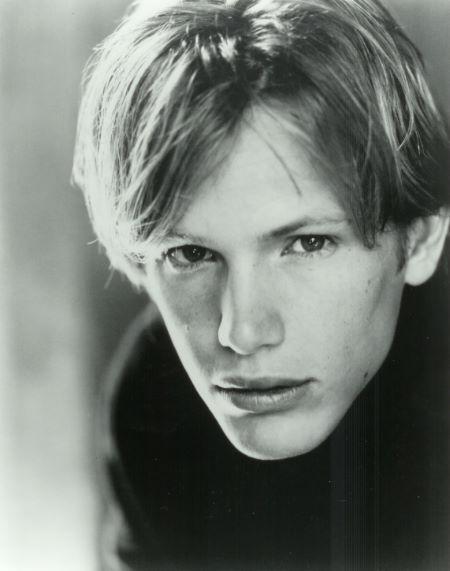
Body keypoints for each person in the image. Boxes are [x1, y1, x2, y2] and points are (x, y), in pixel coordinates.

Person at [73, 0, 449, 569]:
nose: (242, 332)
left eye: (308, 244)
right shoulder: (153, 395)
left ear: (420, 240)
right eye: (191, 254)